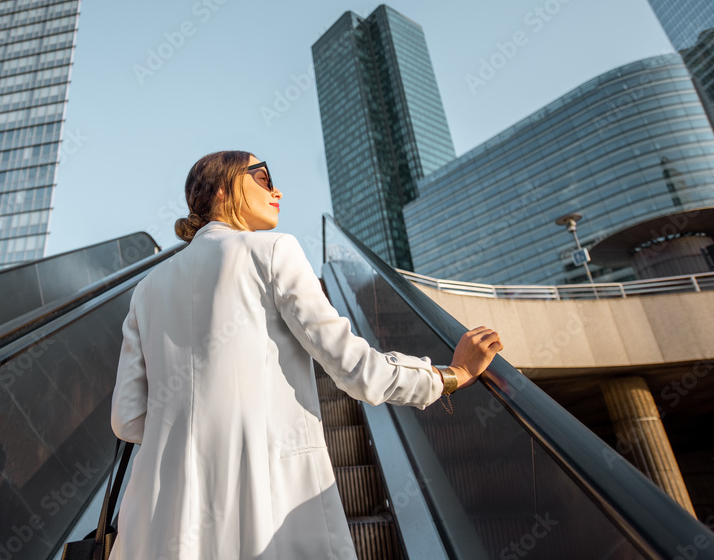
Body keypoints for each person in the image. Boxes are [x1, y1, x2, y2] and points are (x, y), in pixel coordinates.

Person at [109, 151, 502, 560]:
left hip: (153, 524)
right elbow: (356, 369)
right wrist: (449, 376)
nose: (276, 189)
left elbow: (127, 418)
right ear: (222, 189)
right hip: (262, 510)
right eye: (261, 176)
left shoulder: (146, 290)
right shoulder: (273, 250)